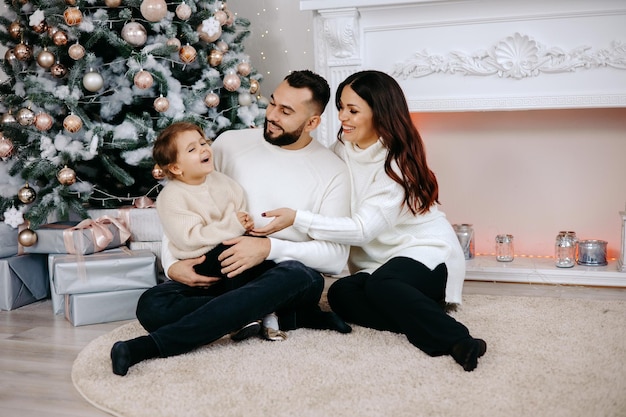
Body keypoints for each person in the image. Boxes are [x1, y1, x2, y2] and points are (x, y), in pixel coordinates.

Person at [110, 70, 353, 377]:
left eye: (286, 111)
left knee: (299, 276)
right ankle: (279, 316)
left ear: (312, 123)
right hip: (224, 269)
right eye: (273, 103)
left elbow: (335, 257)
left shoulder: (332, 171)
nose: (272, 115)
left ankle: (146, 347)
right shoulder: (230, 144)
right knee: (152, 305)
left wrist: (267, 248)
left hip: (283, 274)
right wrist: (172, 264)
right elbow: (186, 201)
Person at [252, 70, 487, 371]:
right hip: (378, 268)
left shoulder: (397, 164)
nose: (342, 117)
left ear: (380, 114)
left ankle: (459, 340)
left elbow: (362, 229)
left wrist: (297, 219)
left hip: (424, 253)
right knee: (340, 293)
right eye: (340, 107)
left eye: (352, 110)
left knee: (381, 286)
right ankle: (420, 314)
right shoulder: (342, 151)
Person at [150, 121, 285, 341]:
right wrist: (234, 226)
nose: (203, 149)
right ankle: (244, 313)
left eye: (203, 143)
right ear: (176, 168)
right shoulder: (172, 197)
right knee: (153, 303)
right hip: (200, 259)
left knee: (264, 261)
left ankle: (256, 312)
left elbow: (239, 211)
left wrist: (244, 222)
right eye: (192, 149)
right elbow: (190, 239)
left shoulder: (224, 183)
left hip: (227, 255)